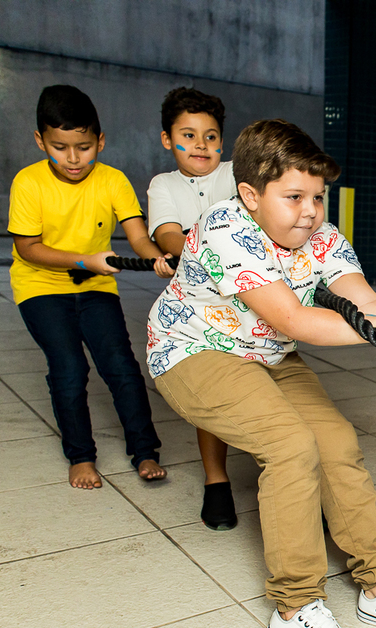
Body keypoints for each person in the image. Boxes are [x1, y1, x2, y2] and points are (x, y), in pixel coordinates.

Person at [146, 119, 376, 628]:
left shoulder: (323, 236)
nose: (310, 211)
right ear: (250, 195)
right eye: (293, 197)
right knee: (289, 445)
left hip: (267, 354)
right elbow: (295, 320)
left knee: (336, 441)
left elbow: (366, 300)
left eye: (317, 196)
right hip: (194, 350)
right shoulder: (224, 228)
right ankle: (295, 608)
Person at [8, 84, 170, 490]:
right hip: (40, 286)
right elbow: (28, 248)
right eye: (59, 147)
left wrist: (156, 258)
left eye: (83, 147)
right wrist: (85, 261)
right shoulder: (28, 183)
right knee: (69, 368)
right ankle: (80, 456)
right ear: (40, 141)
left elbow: (137, 235)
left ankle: (145, 451)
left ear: (100, 140)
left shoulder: (113, 180)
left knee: (121, 366)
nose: (73, 158)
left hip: (96, 286)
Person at [146, 87, 241, 530]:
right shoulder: (162, 185)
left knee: (271, 387)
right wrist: (204, 245)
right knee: (214, 390)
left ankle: (290, 479)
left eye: (211, 136)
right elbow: (168, 235)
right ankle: (216, 480)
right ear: (168, 139)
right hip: (200, 309)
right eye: (188, 135)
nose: (200, 145)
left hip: (251, 300)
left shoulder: (237, 173)